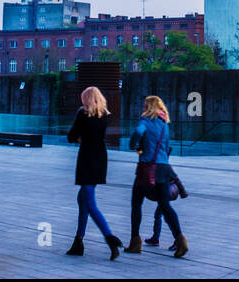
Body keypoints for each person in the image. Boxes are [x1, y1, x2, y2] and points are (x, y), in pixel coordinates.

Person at [124, 95, 187, 258]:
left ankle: (135, 242)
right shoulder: (165, 124)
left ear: (149, 107)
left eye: (145, 105)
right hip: (163, 168)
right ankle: (181, 241)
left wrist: (134, 146)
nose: (143, 107)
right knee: (165, 205)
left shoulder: (145, 121)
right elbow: (166, 147)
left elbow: (138, 133)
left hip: (147, 168)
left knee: (136, 204)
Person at [65, 86, 123, 260]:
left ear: (86, 99)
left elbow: (71, 136)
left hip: (87, 159)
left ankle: (109, 237)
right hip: (100, 158)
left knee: (89, 203)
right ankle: (78, 241)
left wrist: (79, 137)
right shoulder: (104, 114)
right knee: (82, 199)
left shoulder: (82, 113)